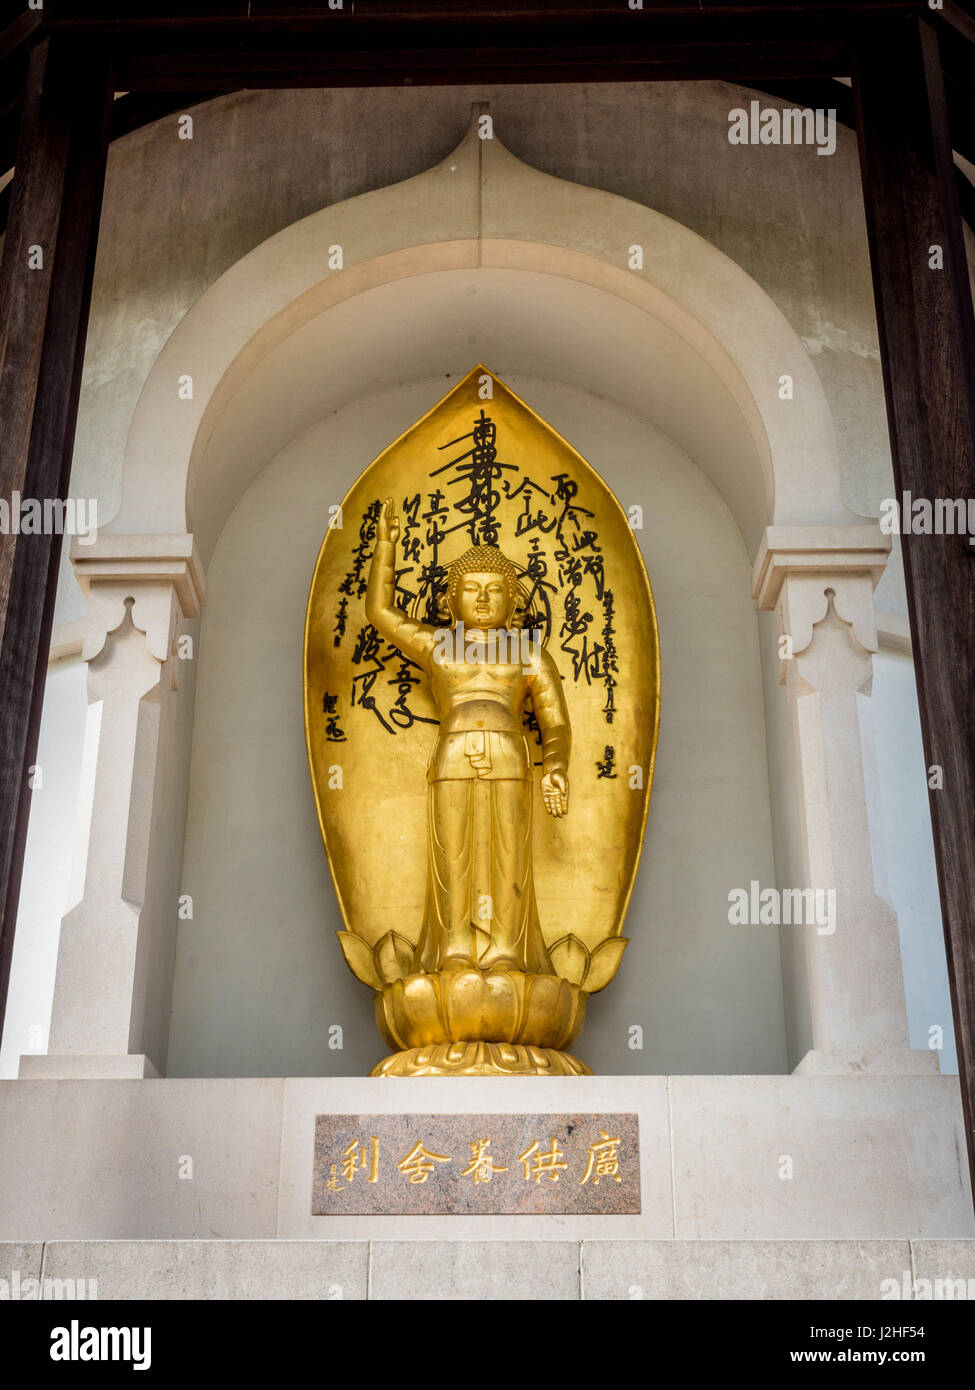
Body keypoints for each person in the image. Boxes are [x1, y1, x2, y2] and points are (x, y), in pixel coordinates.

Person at [365, 497, 571, 975]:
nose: (482, 600)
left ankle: (506, 951)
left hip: (510, 756)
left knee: (507, 858)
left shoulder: (528, 653)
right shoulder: (438, 643)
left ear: (512, 601)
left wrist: (555, 766)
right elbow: (380, 613)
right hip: (453, 754)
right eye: (472, 589)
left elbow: (555, 722)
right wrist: (385, 551)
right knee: (452, 856)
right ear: (451, 599)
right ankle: (453, 948)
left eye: (495, 590)